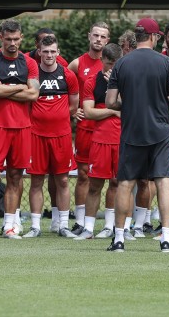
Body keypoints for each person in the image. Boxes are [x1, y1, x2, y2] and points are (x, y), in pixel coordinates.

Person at [105, 18, 169, 252]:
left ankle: (118, 238)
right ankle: (166, 238)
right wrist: (159, 99)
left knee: (126, 183)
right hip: (160, 130)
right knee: (163, 182)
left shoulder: (121, 64)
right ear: (153, 37)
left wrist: (128, 105)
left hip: (132, 130)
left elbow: (110, 102)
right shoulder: (166, 63)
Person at [0, 19, 38, 239]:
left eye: (16, 39)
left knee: (15, 176)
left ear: (21, 38)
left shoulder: (29, 63)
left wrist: (8, 89)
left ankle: (9, 226)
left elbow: (34, 94)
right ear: (1, 37)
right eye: (8, 39)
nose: (13, 43)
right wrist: (21, 86)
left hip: (22, 127)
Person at [23, 35, 79, 239]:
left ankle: (63, 225)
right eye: (45, 51)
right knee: (36, 180)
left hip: (62, 135)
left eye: (52, 51)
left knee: (63, 180)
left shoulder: (67, 75)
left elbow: (74, 105)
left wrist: (59, 115)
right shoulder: (32, 75)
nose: (48, 55)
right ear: (39, 52)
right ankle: (35, 226)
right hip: (36, 134)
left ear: (58, 52)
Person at [75, 43, 123, 240]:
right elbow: (89, 112)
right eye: (108, 63)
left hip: (122, 139)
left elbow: (131, 108)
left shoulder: (127, 81)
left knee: (117, 183)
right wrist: (112, 111)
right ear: (102, 59)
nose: (111, 68)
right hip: (100, 139)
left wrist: (118, 86)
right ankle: (88, 228)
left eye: (115, 64)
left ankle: (112, 227)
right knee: (94, 184)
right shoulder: (91, 81)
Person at [67, 21, 110, 235]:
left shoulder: (113, 64)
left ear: (107, 40)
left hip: (108, 127)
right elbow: (63, 84)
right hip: (86, 126)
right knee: (83, 174)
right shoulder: (77, 64)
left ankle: (110, 224)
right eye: (96, 35)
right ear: (88, 36)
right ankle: (80, 220)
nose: (99, 40)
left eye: (103, 37)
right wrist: (72, 110)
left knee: (112, 176)